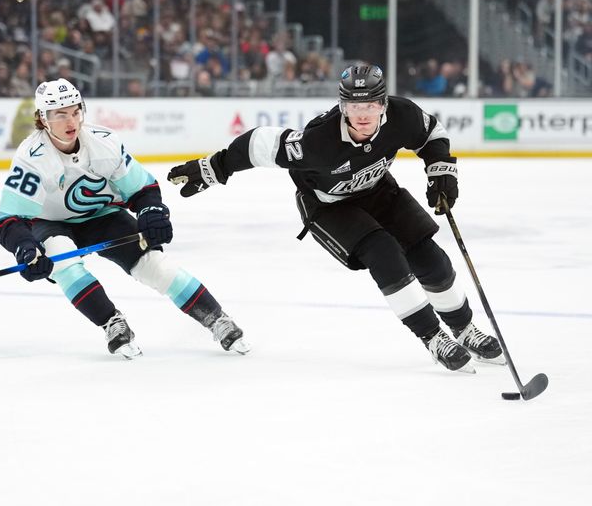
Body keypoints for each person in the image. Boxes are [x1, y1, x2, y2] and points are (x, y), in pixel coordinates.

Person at [168, 64, 505, 374]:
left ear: (383, 104)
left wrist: (442, 172)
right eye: (355, 107)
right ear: (343, 107)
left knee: (432, 260)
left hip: (377, 190)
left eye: (370, 105)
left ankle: (464, 329)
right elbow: (257, 144)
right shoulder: (318, 141)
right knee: (384, 253)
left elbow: (432, 133)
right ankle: (433, 337)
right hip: (329, 207)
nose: (363, 114)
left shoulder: (402, 115)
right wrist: (213, 168)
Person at [0, 78, 250, 359]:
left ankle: (216, 318)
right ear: (43, 119)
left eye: (76, 111)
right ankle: (111, 322)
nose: (71, 120)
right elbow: (10, 220)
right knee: (63, 261)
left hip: (102, 217)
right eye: (60, 114)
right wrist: (25, 248)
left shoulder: (104, 142)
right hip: (51, 223)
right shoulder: (32, 157)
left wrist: (151, 211)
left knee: (154, 266)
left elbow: (142, 189)